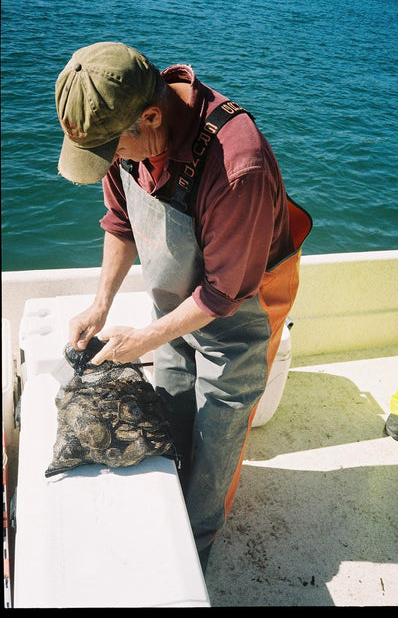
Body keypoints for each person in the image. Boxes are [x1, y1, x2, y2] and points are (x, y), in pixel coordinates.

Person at [55, 41, 312, 571]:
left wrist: (144, 340)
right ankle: (164, 509)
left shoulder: (237, 164)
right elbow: (122, 222)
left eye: (112, 151)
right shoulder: (123, 134)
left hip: (244, 302)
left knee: (217, 433)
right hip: (178, 298)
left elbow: (221, 295)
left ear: (150, 116)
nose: (112, 163)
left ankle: (192, 551)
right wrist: (101, 304)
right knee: (171, 405)